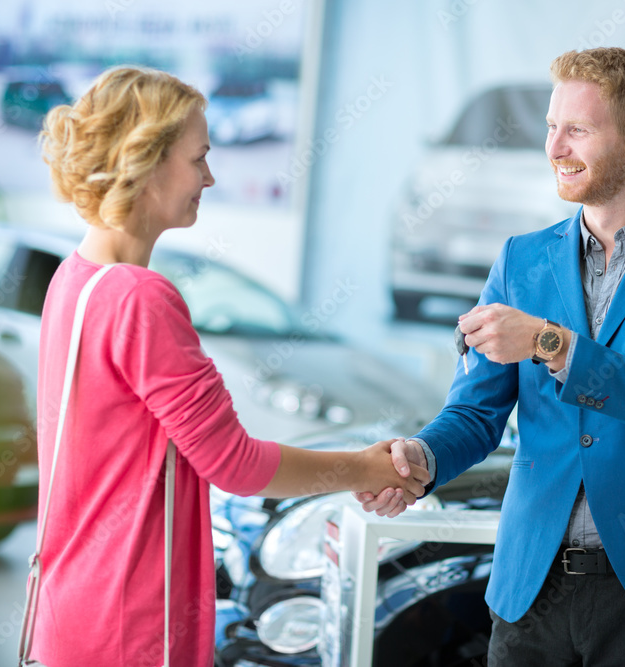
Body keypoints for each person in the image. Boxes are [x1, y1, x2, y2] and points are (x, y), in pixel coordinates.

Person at [357, 47, 625, 666]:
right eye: (551, 128)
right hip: (530, 585)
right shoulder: (521, 259)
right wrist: (425, 456)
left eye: (576, 130)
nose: (554, 148)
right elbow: (475, 411)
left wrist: (552, 344)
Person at [29, 66, 427, 666]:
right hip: (132, 625)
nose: (209, 177)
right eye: (199, 158)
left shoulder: (74, 281)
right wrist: (365, 466)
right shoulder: (140, 298)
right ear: (147, 160)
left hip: (72, 609)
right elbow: (234, 463)